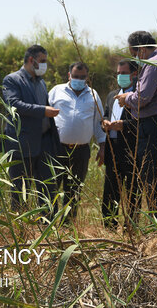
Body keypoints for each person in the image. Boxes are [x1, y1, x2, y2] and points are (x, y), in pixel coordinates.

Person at [115, 31, 157, 214]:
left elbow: (142, 97)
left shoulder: (153, 63)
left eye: (134, 53)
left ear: (141, 49)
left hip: (155, 127)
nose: (134, 57)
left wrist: (126, 97)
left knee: (153, 180)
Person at [2, 45, 61, 214]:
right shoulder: (12, 80)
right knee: (21, 191)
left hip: (44, 143)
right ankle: (22, 231)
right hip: (22, 145)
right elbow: (14, 104)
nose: (44, 65)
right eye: (42, 61)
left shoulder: (41, 82)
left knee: (48, 189)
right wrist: (43, 111)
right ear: (31, 60)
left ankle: (48, 227)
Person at [48, 62, 106, 221]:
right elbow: (46, 117)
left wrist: (102, 147)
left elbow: (98, 123)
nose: (79, 79)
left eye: (82, 77)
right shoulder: (56, 91)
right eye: (75, 76)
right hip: (57, 148)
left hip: (81, 151)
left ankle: (67, 224)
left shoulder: (93, 95)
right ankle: (48, 222)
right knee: (51, 187)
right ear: (69, 75)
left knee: (74, 189)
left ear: (87, 77)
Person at [101, 59, 139, 229]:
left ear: (134, 74)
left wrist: (122, 125)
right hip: (112, 148)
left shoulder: (138, 96)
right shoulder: (112, 95)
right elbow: (107, 114)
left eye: (123, 73)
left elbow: (143, 123)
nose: (120, 76)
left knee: (132, 192)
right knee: (110, 191)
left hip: (131, 149)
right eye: (118, 73)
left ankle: (130, 228)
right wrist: (105, 124)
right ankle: (109, 226)